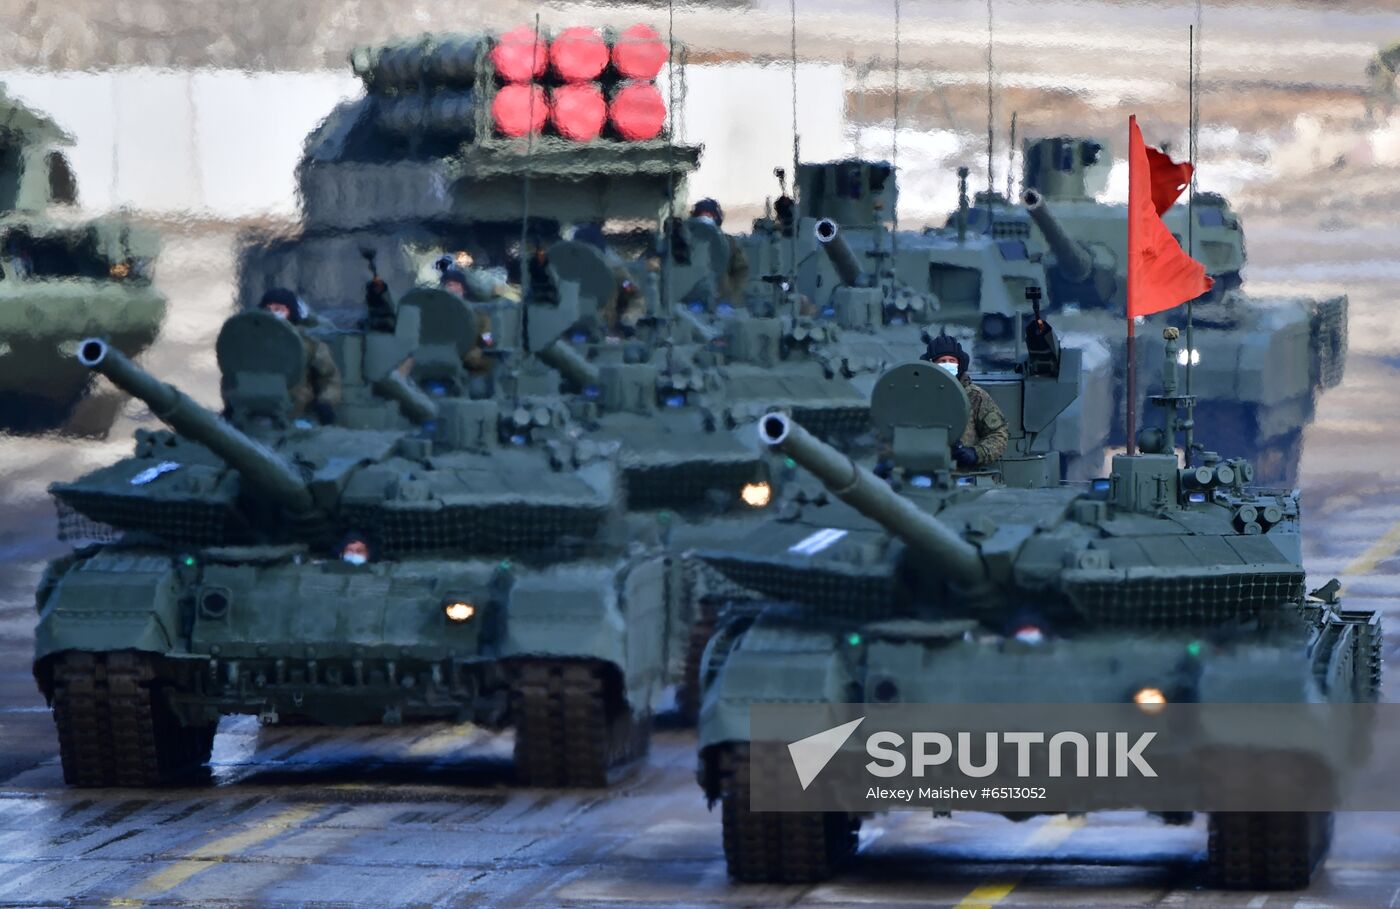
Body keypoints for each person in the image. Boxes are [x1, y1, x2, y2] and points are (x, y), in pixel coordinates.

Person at [920, 332, 1008, 469]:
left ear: (960, 364)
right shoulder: (918, 395)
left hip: (965, 475)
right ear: (932, 364)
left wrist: (976, 453)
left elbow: (998, 433)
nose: (948, 365)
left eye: (952, 361)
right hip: (925, 473)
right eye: (942, 361)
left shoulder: (975, 396)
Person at [258, 287, 341, 424]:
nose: (273, 314)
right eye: (268, 310)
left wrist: (326, 403)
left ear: (290, 313)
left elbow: (330, 378)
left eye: (279, 310)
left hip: (297, 412)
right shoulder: (254, 341)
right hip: (257, 410)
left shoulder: (308, 343)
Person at [691, 198, 750, 302]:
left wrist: (734, 293)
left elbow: (741, 270)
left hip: (721, 296)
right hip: (692, 296)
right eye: (701, 216)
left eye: (709, 216)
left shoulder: (728, 242)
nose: (705, 221)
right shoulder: (687, 242)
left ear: (716, 218)